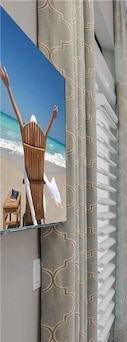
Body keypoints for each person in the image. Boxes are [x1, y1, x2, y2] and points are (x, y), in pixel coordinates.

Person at [0, 62, 59, 225]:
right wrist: (52, 119)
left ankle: (28, 220)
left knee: (27, 183)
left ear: (27, 126)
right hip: (39, 200)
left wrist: (8, 87)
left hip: (29, 197)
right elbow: (46, 132)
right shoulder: (43, 141)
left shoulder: (24, 133)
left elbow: (16, 112)